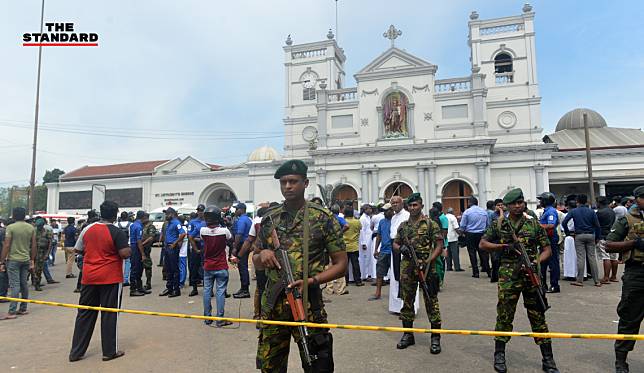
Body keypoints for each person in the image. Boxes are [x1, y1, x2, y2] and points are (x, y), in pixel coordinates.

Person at [254, 159, 347, 372]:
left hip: (307, 303)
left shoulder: (322, 218)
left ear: (305, 183)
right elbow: (256, 259)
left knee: (317, 365)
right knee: (270, 367)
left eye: (293, 181)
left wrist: (312, 281)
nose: (288, 186)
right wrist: (263, 254)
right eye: (284, 182)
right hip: (274, 306)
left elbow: (341, 265)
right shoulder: (270, 220)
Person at [479, 188, 559, 373]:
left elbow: (547, 249)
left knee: (538, 316)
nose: (518, 205)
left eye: (521, 202)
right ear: (506, 206)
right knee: (504, 314)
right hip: (509, 277)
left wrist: (536, 261)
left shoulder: (533, 224)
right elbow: (483, 244)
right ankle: (499, 354)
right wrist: (504, 246)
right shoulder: (499, 224)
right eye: (514, 203)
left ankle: (548, 359)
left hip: (531, 276)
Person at [69, 200, 131, 362]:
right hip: (110, 277)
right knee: (109, 314)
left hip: (89, 277)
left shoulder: (87, 229)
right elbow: (124, 253)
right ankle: (109, 351)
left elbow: (78, 249)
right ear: (115, 214)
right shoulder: (116, 232)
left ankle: (76, 352)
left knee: (85, 313)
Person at [393, 193, 443, 353]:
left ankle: (435, 338)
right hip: (407, 268)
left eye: (415, 205)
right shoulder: (403, 226)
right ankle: (408, 335)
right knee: (407, 301)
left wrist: (429, 261)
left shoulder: (430, 224)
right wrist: (401, 248)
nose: (413, 208)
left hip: (427, 268)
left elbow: (439, 245)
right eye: (410, 205)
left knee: (431, 300)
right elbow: (395, 243)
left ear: (421, 205)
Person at [605, 185, 644, 373]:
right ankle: (621, 360)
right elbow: (609, 245)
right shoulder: (626, 219)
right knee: (629, 317)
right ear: (636, 199)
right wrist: (634, 243)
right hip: (637, 273)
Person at [200, 205, 233, 328]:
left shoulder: (202, 231)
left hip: (208, 265)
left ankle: (207, 317)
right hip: (221, 265)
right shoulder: (224, 231)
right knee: (220, 292)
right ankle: (220, 318)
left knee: (207, 291)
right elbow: (231, 239)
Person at [0, 207, 36, 320]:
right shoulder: (31, 227)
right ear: (24, 216)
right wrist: (32, 259)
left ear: (14, 216)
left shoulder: (11, 227)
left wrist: (2, 261)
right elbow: (34, 245)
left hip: (13, 260)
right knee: (24, 284)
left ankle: (12, 311)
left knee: (15, 285)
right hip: (25, 259)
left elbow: (6, 245)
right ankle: (23, 308)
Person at [562, 194, 601, 287]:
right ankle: (597, 281)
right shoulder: (591, 212)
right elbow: (598, 226)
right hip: (590, 235)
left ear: (577, 202)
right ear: (586, 201)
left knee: (581, 258)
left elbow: (564, 222)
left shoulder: (574, 211)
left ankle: (579, 280)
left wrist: (568, 233)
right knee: (592, 258)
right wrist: (597, 237)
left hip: (579, 235)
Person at [388, 195, 413, 314]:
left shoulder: (407, 216)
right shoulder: (393, 218)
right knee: (395, 276)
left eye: (396, 203)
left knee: (405, 277)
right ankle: (396, 307)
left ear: (402, 204)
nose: (394, 205)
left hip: (405, 248)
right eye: (392, 203)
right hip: (395, 247)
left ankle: (407, 306)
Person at [460, 196, 490, 278]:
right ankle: (488, 270)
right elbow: (488, 225)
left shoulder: (467, 212)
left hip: (470, 234)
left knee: (472, 253)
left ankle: (475, 272)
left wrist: (461, 233)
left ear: (469, 203)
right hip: (482, 234)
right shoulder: (484, 212)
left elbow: (462, 225)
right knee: (483, 252)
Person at [160, 207, 186, 297]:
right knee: (168, 269)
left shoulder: (176, 222)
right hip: (167, 247)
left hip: (172, 248)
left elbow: (183, 234)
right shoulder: (168, 223)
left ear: (172, 214)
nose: (166, 215)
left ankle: (176, 289)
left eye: (167, 214)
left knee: (174, 269)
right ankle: (169, 288)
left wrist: (175, 243)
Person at [537, 192, 561, 293]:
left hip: (550, 239)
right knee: (543, 262)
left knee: (552, 262)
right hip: (545, 239)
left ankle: (554, 285)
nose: (540, 201)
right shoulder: (547, 211)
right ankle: (543, 285)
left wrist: (537, 225)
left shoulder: (551, 212)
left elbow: (551, 225)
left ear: (546, 201)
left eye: (541, 200)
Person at [370, 203, 394, 301]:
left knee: (395, 274)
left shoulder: (395, 221)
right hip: (383, 250)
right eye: (384, 211)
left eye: (387, 210)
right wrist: (376, 249)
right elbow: (379, 236)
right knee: (379, 273)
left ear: (392, 211)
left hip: (393, 251)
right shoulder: (382, 222)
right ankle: (378, 292)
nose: (384, 212)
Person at [231, 203, 253, 299]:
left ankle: (245, 290)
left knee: (242, 267)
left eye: (236, 209)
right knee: (243, 266)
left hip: (242, 245)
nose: (235, 211)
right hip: (246, 245)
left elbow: (239, 235)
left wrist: (235, 248)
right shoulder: (248, 219)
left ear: (241, 209)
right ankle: (244, 288)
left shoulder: (242, 220)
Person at [596, 196, 618, 284]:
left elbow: (596, 226)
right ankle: (614, 276)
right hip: (613, 235)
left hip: (603, 235)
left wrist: (596, 237)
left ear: (599, 203)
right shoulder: (612, 211)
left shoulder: (599, 212)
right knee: (614, 257)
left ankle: (606, 277)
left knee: (606, 257)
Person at [187, 205, 206, 297]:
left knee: (205, 267)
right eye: (198, 211)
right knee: (194, 267)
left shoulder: (207, 221)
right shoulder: (192, 222)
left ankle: (207, 288)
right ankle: (194, 288)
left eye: (201, 210)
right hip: (195, 245)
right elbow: (189, 235)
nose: (200, 212)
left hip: (205, 245)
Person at [128, 211, 147, 297]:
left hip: (133, 247)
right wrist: (142, 253)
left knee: (139, 268)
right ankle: (133, 289)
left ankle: (139, 287)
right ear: (142, 217)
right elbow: (139, 241)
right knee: (135, 268)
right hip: (136, 248)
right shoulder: (138, 226)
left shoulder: (133, 225)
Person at [33, 217, 54, 291]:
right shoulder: (33, 231)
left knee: (39, 269)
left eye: (40, 226)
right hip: (32, 252)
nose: (38, 227)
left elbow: (50, 243)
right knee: (30, 269)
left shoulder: (47, 232)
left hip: (42, 253)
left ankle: (37, 284)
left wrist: (47, 254)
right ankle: (31, 282)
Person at [344, 206, 363, 286]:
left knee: (345, 265)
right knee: (355, 264)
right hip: (354, 245)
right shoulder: (357, 221)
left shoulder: (343, 221)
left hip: (345, 245)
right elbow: (360, 229)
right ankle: (358, 281)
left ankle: (346, 281)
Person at [139, 213, 157, 290]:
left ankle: (148, 282)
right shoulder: (141, 226)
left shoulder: (150, 226)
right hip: (140, 247)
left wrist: (142, 243)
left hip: (146, 248)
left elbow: (151, 237)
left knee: (147, 265)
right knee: (139, 265)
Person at [115, 212, 132, 286]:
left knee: (118, 261)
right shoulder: (131, 225)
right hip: (128, 244)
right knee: (128, 262)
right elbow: (131, 235)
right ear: (127, 217)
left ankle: (118, 278)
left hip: (118, 245)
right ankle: (125, 279)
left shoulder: (116, 225)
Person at [359, 204, 375, 281]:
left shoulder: (368, 217)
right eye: (369, 209)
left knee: (369, 258)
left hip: (369, 240)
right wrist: (363, 243)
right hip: (365, 241)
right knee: (364, 258)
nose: (371, 210)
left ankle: (369, 274)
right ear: (365, 210)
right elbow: (362, 231)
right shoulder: (362, 218)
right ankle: (364, 275)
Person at [445, 207, 462, 272]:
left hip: (446, 237)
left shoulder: (445, 217)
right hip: (453, 238)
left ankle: (449, 267)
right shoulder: (453, 217)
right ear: (452, 212)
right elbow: (456, 228)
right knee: (455, 253)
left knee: (448, 253)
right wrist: (460, 234)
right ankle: (457, 267)